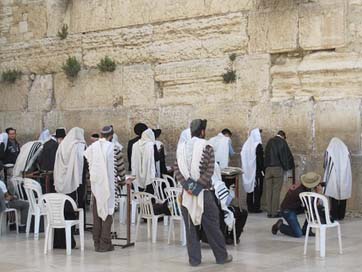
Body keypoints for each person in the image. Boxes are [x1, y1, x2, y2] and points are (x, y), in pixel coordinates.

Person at [174, 119, 232, 266]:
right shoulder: (207, 147)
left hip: (186, 193)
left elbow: (177, 170)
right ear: (202, 131)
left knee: (190, 228)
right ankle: (221, 257)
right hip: (204, 192)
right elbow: (209, 170)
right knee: (212, 227)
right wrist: (197, 187)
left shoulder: (181, 148)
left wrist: (189, 187)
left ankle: (194, 260)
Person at [84, 126, 127, 252]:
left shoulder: (92, 148)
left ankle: (96, 243)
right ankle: (105, 244)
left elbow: (89, 166)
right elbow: (120, 169)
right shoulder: (114, 149)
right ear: (111, 136)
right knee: (107, 215)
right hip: (109, 187)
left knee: (97, 215)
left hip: (96, 186)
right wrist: (123, 181)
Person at [53, 127, 87, 249]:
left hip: (61, 184)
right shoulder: (79, 146)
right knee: (72, 211)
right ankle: (69, 241)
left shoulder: (62, 146)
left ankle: (58, 242)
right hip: (75, 185)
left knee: (62, 212)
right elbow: (83, 166)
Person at [271, 172, 323, 237]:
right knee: (298, 234)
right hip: (287, 211)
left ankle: (306, 230)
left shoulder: (303, 187)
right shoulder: (301, 192)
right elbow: (312, 206)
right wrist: (318, 193)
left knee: (312, 210)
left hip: (294, 207)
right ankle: (280, 226)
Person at [264, 130, 295, 218]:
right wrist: (288, 167)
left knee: (268, 191)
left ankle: (269, 212)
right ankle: (274, 212)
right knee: (276, 191)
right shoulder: (282, 142)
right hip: (277, 168)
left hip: (268, 169)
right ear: (283, 136)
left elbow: (266, 155)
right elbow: (285, 156)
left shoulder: (270, 141)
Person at [323, 137, 352, 221]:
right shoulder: (346, 150)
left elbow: (325, 164)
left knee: (333, 195)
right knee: (343, 195)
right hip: (344, 175)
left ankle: (334, 215)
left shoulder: (329, 150)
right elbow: (350, 162)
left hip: (333, 176)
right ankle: (341, 215)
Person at [241, 128, 264, 213]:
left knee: (249, 189)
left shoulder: (246, 145)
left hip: (247, 170)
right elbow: (260, 160)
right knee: (258, 190)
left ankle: (250, 206)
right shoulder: (258, 146)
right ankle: (256, 207)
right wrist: (262, 169)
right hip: (256, 171)